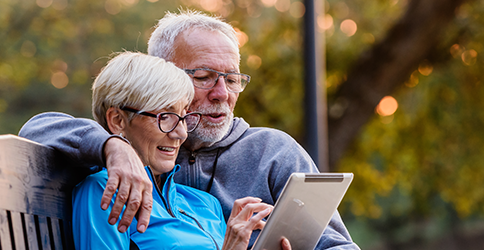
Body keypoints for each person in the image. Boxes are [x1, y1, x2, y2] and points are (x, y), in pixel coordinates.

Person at [19, 10, 359, 249]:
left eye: (232, 79)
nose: (222, 93)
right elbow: (39, 128)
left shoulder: (271, 153)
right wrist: (113, 148)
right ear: (163, 76)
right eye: (203, 76)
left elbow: (337, 246)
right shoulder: (134, 141)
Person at [71, 51, 276, 249]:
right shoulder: (104, 190)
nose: (181, 133)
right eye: (165, 117)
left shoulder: (205, 204)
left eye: (183, 118)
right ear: (117, 120)